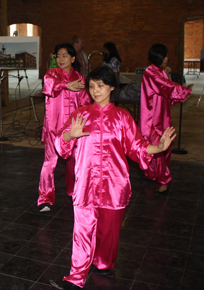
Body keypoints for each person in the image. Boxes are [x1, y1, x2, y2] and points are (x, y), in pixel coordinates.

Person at [50, 66, 177, 290]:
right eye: (91, 86)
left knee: (109, 230)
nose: (95, 91)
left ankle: (104, 263)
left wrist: (158, 147)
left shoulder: (122, 117)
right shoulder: (81, 114)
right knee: (82, 230)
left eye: (100, 86)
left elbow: (136, 147)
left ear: (111, 87)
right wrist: (71, 134)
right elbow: (61, 143)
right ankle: (76, 275)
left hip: (114, 184)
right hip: (86, 183)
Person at [37, 43, 90, 213]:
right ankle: (45, 198)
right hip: (53, 128)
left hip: (72, 129)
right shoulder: (51, 74)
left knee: (74, 161)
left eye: (64, 56)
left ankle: (73, 190)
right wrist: (67, 85)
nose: (60, 59)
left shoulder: (80, 78)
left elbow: (84, 103)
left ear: (73, 59)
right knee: (49, 163)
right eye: (58, 56)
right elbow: (49, 86)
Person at [139, 43, 193, 193]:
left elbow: (167, 93)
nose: (167, 59)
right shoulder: (150, 73)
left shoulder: (161, 71)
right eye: (165, 56)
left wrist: (178, 98)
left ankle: (151, 174)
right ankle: (163, 181)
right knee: (159, 150)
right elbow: (166, 86)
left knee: (164, 149)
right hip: (152, 120)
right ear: (158, 57)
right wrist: (184, 91)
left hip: (163, 117)